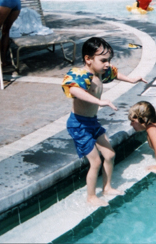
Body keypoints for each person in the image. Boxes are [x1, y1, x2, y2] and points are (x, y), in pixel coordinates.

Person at [62, 37, 147, 206]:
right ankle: (91, 196)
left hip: (92, 122)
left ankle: (107, 187)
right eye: (103, 60)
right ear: (88, 59)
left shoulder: (100, 72)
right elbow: (74, 90)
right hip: (79, 124)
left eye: (108, 60)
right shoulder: (81, 75)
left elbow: (115, 73)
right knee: (96, 161)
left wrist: (131, 79)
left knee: (110, 154)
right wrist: (99, 101)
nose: (107, 64)